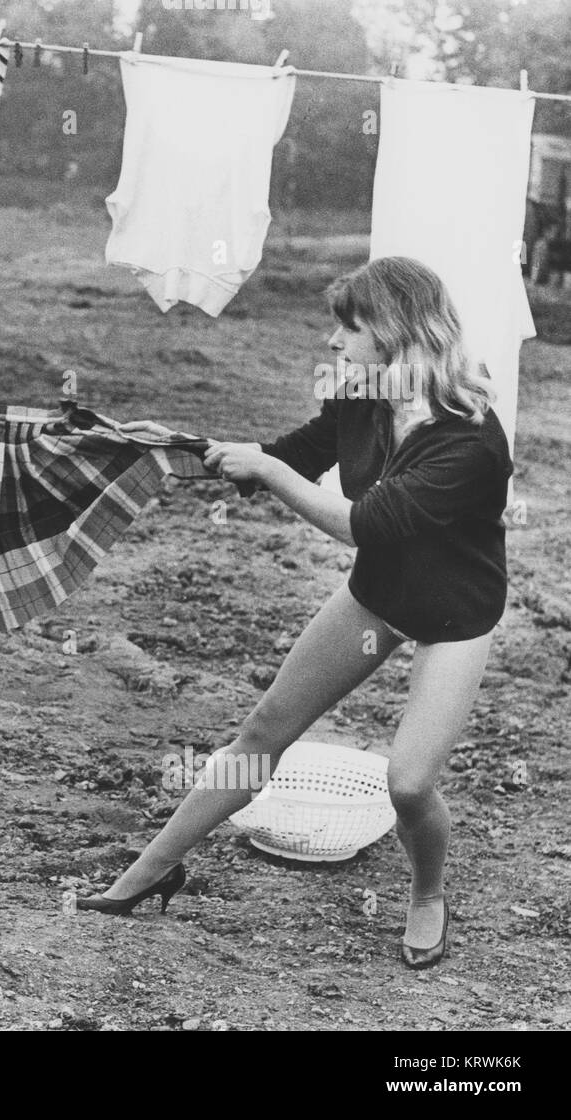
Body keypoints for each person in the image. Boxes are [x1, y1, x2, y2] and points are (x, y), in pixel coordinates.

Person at [78, 257, 513, 970]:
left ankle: (428, 893)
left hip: (454, 614)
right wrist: (174, 452)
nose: (334, 341)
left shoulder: (468, 437)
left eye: (351, 327)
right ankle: (149, 870)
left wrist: (269, 472)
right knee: (261, 732)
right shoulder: (364, 397)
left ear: (398, 331)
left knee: (406, 782)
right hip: (380, 594)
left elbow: (362, 523)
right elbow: (295, 455)